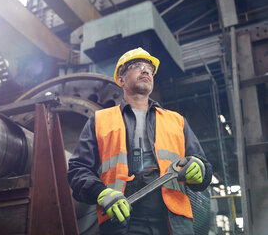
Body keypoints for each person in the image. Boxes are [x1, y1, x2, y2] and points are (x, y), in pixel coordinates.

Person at [67, 47, 212, 235]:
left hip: (174, 223)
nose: (145, 70)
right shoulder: (100, 120)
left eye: (149, 69)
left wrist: (199, 169)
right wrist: (100, 193)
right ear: (121, 79)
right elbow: (78, 170)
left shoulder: (176, 121)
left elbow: (204, 167)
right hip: (121, 220)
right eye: (137, 66)